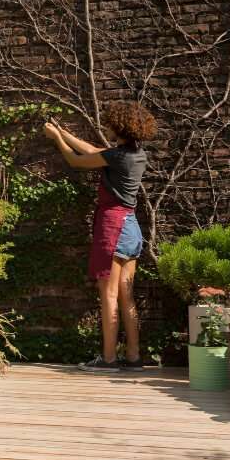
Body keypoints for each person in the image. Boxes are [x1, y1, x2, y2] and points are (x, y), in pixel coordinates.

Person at [43, 102, 157, 372]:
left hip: (113, 226)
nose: (107, 127)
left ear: (119, 127)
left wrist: (57, 139)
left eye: (110, 124)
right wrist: (63, 130)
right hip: (131, 226)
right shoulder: (137, 154)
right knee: (126, 296)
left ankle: (107, 359)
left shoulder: (117, 157)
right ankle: (133, 357)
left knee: (108, 294)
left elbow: (77, 160)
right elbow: (96, 152)